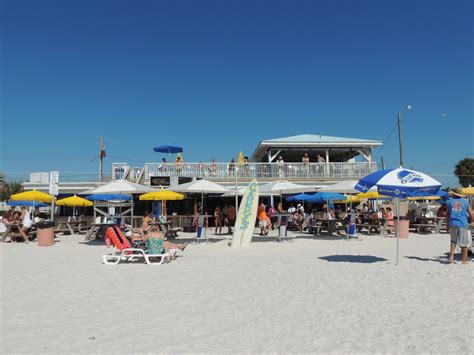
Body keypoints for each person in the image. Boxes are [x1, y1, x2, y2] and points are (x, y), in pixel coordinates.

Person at [447, 189, 474, 264]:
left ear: (454, 194)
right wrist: (472, 221)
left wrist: (446, 225)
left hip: (452, 223)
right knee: (464, 243)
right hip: (462, 223)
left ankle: (451, 257)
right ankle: (463, 261)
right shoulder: (465, 202)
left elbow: (447, 215)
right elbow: (471, 213)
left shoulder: (449, 202)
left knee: (453, 241)